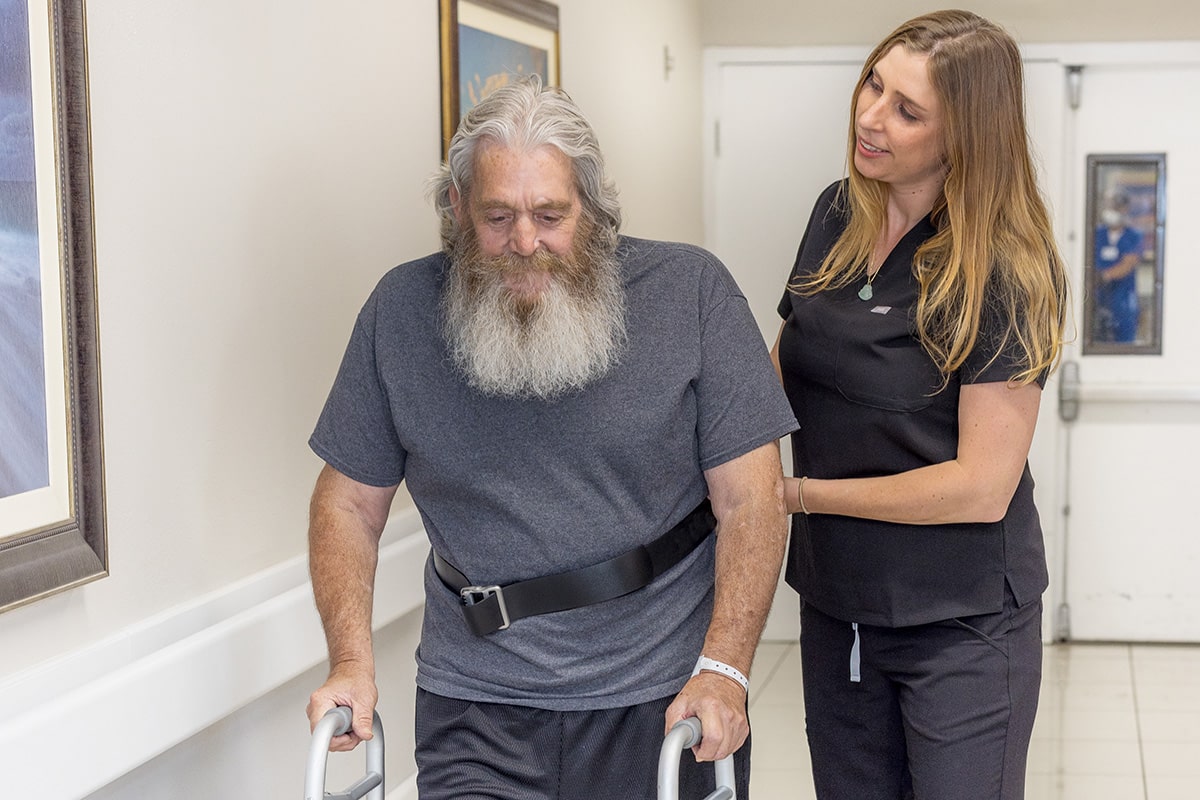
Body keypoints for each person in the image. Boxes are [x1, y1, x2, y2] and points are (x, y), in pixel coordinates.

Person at [305, 76, 798, 798]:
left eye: (550, 214)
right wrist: (350, 659)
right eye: (497, 216)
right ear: (457, 208)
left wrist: (724, 669)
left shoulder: (691, 294)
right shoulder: (400, 313)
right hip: (476, 701)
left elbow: (752, 501)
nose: (525, 243)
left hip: (661, 699)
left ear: (592, 210)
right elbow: (347, 504)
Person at [770, 10, 1068, 800]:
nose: (871, 117)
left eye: (908, 111)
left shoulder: (1005, 268)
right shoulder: (838, 212)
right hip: (840, 607)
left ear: (965, 136)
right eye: (874, 83)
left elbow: (981, 485)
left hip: (961, 623)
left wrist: (798, 496)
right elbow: (785, 364)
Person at [1093, 192, 1144, 343]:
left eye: (1117, 207)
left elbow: (1128, 263)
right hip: (1098, 297)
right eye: (1110, 206)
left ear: (1125, 210)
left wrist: (1104, 276)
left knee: (1124, 341)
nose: (1112, 210)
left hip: (1123, 299)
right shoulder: (1097, 234)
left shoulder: (1133, 236)